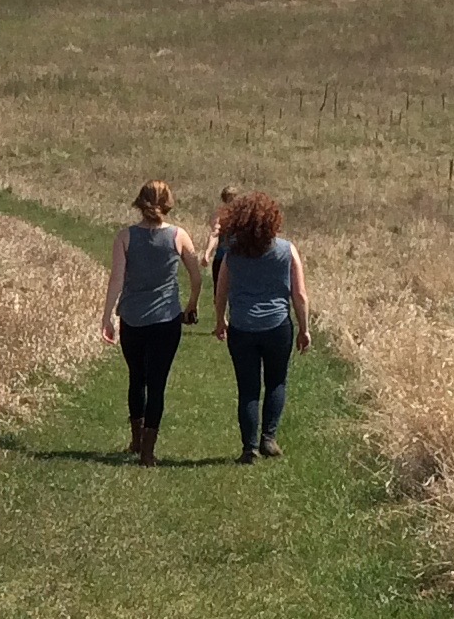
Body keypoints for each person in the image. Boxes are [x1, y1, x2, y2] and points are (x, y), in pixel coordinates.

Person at [98, 179, 205, 464]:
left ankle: (135, 439)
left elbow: (117, 279)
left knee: (137, 379)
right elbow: (196, 277)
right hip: (166, 319)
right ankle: (148, 451)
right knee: (157, 383)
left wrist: (107, 315)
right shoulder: (179, 236)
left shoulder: (125, 237)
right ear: (168, 203)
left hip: (132, 318)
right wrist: (191, 305)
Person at [212, 190, 311, 462]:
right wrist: (304, 328)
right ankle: (269, 437)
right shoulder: (286, 250)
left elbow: (221, 290)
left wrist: (221, 320)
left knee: (248, 387)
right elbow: (299, 294)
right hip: (277, 325)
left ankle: (249, 448)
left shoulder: (232, 254)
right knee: (276, 380)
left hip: (242, 326)